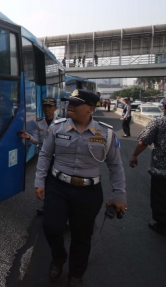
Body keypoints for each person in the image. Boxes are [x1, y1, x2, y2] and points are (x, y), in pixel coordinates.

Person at [35, 89, 126, 287]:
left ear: (91, 109)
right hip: (58, 187)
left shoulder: (106, 134)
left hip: (89, 193)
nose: (71, 106)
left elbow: (115, 166)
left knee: (82, 235)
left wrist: (119, 195)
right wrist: (40, 182)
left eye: (76, 103)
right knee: (51, 227)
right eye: (69, 102)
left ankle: (76, 273)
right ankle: (58, 257)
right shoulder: (57, 128)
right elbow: (44, 155)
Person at [129, 94, 166, 236]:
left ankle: (162, 225)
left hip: (161, 170)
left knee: (160, 198)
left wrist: (134, 156)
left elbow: (144, 141)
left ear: (164, 107)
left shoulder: (158, 122)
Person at [18, 97, 59, 215]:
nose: (47, 109)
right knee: (45, 181)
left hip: (58, 159)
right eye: (45, 106)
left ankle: (59, 209)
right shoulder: (39, 122)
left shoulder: (62, 122)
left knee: (57, 183)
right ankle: (47, 206)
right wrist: (28, 137)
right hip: (44, 158)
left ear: (55, 108)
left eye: (50, 106)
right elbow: (37, 141)